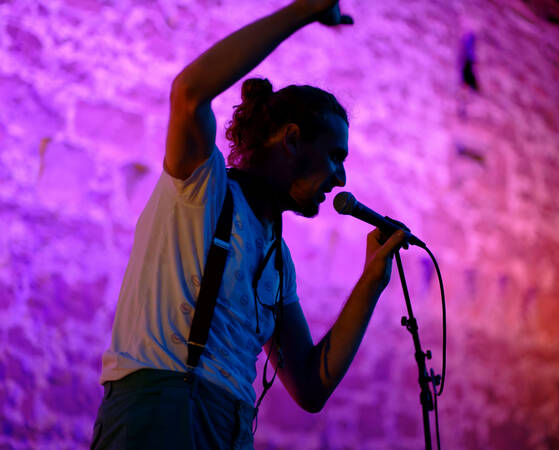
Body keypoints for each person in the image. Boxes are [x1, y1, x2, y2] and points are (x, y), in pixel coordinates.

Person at [91, 1, 408, 449]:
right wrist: (307, 10)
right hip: (161, 412)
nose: (340, 178)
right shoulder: (203, 186)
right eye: (336, 156)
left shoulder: (279, 258)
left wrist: (371, 281)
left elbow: (311, 385)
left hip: (233, 429)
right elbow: (188, 91)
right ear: (292, 139)